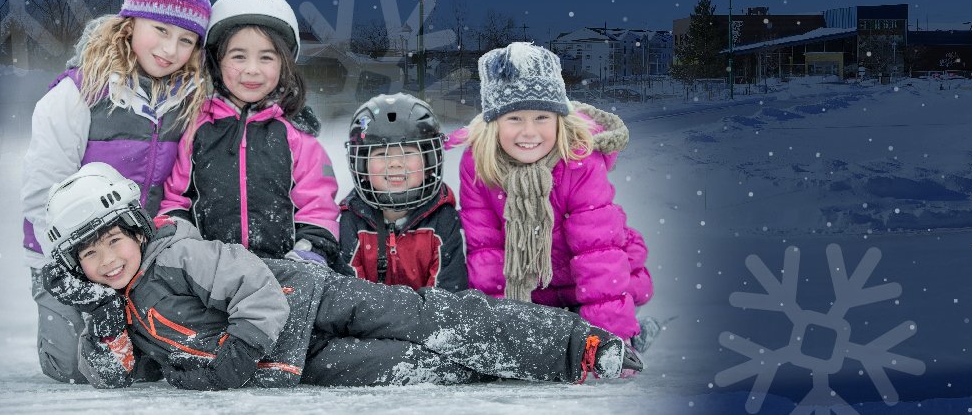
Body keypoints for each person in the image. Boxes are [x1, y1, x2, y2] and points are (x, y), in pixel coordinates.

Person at [39, 162, 641, 389]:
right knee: (402, 364)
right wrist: (96, 320)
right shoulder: (123, 305)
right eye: (92, 255)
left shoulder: (174, 255)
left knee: (428, 317)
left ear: (137, 229)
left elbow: (254, 286)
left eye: (115, 240)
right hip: (292, 359)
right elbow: (121, 371)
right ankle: (490, 367)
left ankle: (574, 346)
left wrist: (236, 358)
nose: (109, 259)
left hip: (309, 300)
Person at [20, 0, 213, 383]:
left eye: (185, 39)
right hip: (73, 256)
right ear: (130, 22)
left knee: (149, 367)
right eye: (160, 30)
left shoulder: (189, 102)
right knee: (73, 369)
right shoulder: (78, 94)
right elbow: (41, 192)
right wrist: (68, 265)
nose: (170, 49)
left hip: (141, 256)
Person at [459, 43, 653, 343]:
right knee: (545, 342)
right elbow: (487, 253)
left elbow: (597, 255)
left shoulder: (579, 162)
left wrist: (609, 340)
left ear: (559, 119)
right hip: (534, 291)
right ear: (494, 123)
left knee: (584, 333)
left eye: (541, 117)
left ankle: (632, 334)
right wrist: (499, 336)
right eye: (514, 118)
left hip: (589, 285)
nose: (529, 132)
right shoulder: (479, 165)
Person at [159, 0, 340, 264]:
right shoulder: (197, 130)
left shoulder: (297, 136)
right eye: (238, 56)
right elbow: (176, 201)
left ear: (284, 63)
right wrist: (185, 247)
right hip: (212, 274)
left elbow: (318, 207)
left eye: (266, 57)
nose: (252, 69)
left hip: (286, 272)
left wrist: (308, 252)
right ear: (217, 63)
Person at [337, 93, 469, 291]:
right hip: (369, 321)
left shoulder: (443, 218)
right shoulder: (352, 220)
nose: (396, 163)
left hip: (427, 321)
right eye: (382, 154)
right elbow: (350, 295)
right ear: (362, 164)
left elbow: (448, 296)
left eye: (407, 153)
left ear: (429, 162)